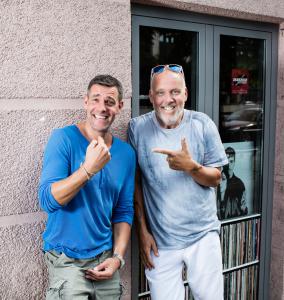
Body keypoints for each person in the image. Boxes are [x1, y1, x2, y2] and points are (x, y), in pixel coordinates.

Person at [128, 64, 228, 300]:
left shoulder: (202, 124)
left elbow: (216, 178)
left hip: (202, 236)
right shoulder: (137, 128)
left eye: (175, 91)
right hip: (160, 242)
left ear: (185, 93)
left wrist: (191, 167)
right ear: (151, 97)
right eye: (161, 92)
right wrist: (142, 231)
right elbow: (136, 183)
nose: (168, 99)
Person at [39, 75, 136, 300]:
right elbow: (47, 200)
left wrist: (118, 258)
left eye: (110, 101)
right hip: (67, 261)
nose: (102, 108)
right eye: (96, 99)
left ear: (119, 106)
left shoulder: (126, 154)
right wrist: (88, 170)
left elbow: (124, 210)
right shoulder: (63, 139)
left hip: (105, 261)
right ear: (86, 102)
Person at [222, 147, 248, 219]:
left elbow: (243, 208)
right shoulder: (216, 180)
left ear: (234, 162)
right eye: (227, 162)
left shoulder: (240, 184)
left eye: (231, 161)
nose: (229, 165)